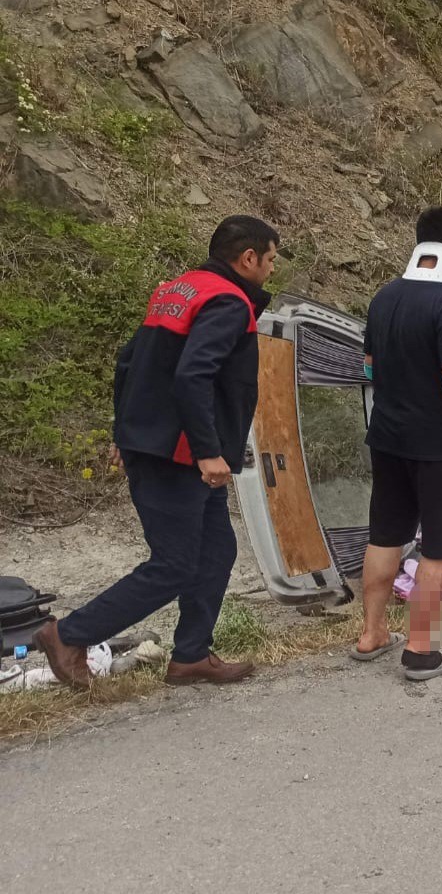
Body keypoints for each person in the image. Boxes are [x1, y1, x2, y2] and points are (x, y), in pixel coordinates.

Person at [34, 216, 280, 689]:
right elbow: (192, 376)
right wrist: (209, 450)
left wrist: (124, 429)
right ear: (248, 258)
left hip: (158, 441)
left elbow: (130, 362)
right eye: (270, 259)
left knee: (216, 550)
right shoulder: (229, 302)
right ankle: (67, 634)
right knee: (174, 563)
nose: (271, 269)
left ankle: (190, 655)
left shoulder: (179, 290)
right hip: (180, 453)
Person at [353, 206, 442, 682]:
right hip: (440, 448)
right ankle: (420, 651)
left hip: (388, 439)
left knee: (385, 535)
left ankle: (371, 635)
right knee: (438, 548)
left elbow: (369, 364)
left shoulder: (384, 297)